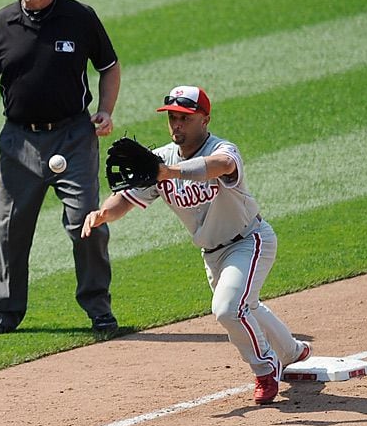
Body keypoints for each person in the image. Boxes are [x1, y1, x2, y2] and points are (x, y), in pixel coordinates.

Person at [81, 86, 311, 404]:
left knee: (228, 309)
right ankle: (292, 350)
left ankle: (265, 367)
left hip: (249, 241)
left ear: (204, 119)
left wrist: (169, 172)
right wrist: (102, 213)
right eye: (173, 118)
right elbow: (126, 198)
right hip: (212, 253)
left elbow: (219, 166)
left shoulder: (222, 149)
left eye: (184, 118)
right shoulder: (160, 159)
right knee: (247, 307)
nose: (176, 124)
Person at [0, 0, 122, 337]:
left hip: (72, 136)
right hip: (18, 142)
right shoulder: (1, 23)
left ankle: (99, 308)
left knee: (88, 222)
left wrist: (106, 109)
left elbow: (109, 66)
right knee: (7, 228)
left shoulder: (79, 17)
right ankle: (4, 312)